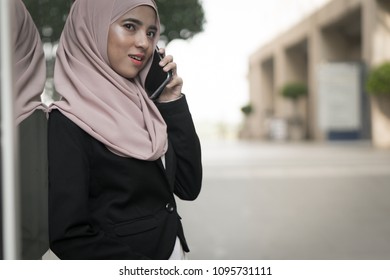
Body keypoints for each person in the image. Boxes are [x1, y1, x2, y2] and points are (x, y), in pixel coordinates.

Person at [47, 0, 202, 260]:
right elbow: (69, 236)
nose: (144, 42)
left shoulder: (148, 108)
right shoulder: (67, 121)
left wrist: (171, 100)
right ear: (92, 31)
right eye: (130, 26)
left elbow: (188, 186)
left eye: (151, 32)